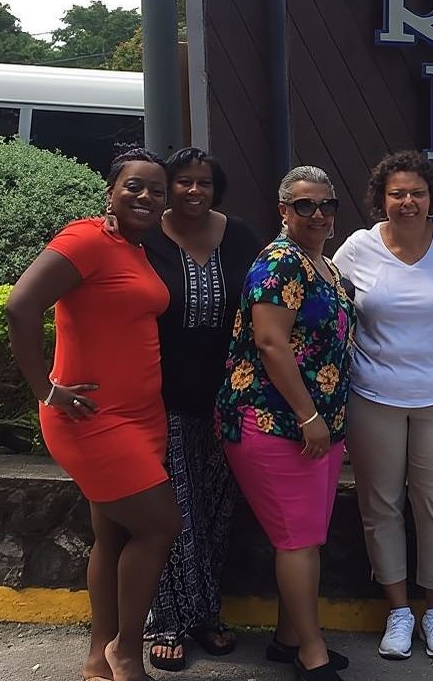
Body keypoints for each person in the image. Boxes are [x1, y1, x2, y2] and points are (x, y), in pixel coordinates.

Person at [6, 148, 182, 681]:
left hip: (142, 417)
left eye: (156, 189)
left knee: (114, 537)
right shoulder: (87, 238)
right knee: (160, 527)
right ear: (110, 191)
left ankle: (96, 659)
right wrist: (47, 389)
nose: (146, 197)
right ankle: (126, 651)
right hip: (93, 419)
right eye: (134, 186)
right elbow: (20, 305)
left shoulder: (137, 247)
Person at [216, 166, 356, 681]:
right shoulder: (279, 263)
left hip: (318, 425)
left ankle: (288, 637)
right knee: (297, 540)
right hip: (276, 420)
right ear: (283, 211)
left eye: (326, 204)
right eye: (304, 205)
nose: (318, 214)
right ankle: (311, 654)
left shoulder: (322, 264)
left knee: (305, 538)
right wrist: (310, 416)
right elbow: (271, 343)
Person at [332, 151, 433, 661]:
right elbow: (324, 300)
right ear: (381, 199)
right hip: (373, 395)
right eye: (397, 194)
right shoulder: (358, 248)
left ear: (432, 197)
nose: (408, 202)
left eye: (417, 193)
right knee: (381, 506)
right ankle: (397, 610)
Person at [142, 147, 262, 671]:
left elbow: (266, 300)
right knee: (175, 512)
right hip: (159, 397)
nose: (194, 191)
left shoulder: (238, 236)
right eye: (184, 182)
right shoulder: (145, 236)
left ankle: (207, 615)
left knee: (215, 510)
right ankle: (168, 620)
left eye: (204, 183)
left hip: (226, 397)